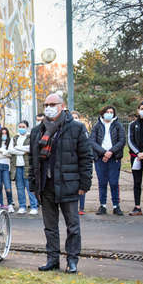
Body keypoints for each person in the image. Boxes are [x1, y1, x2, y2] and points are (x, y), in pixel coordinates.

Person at [30, 93, 93, 274]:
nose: (49, 107)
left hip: (69, 184)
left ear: (62, 105)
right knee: (50, 227)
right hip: (46, 185)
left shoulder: (76, 128)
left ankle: (72, 261)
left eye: (53, 104)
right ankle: (52, 259)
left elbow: (85, 158)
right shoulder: (37, 131)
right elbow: (33, 160)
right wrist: (33, 185)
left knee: (72, 226)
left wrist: (84, 184)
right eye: (46, 104)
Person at [89, 105, 126, 216]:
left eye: (111, 112)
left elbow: (122, 141)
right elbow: (92, 141)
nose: (109, 113)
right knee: (102, 183)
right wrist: (103, 152)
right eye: (107, 111)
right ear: (103, 113)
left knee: (114, 183)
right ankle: (103, 205)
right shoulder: (96, 126)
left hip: (114, 158)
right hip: (100, 159)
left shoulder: (118, 126)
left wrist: (110, 152)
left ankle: (116, 206)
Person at [8, 120, 38, 215]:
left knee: (30, 188)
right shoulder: (15, 138)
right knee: (19, 188)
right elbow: (10, 150)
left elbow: (30, 149)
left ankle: (34, 206)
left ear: (27, 127)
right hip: (17, 167)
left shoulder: (30, 137)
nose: (21, 128)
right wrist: (22, 150)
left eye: (23, 126)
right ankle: (22, 206)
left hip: (27, 166)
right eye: (20, 126)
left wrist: (17, 148)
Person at [71, 111, 89, 215]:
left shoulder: (82, 130)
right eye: (72, 117)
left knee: (82, 185)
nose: (74, 119)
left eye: (76, 117)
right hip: (71, 163)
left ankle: (81, 207)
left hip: (80, 163)